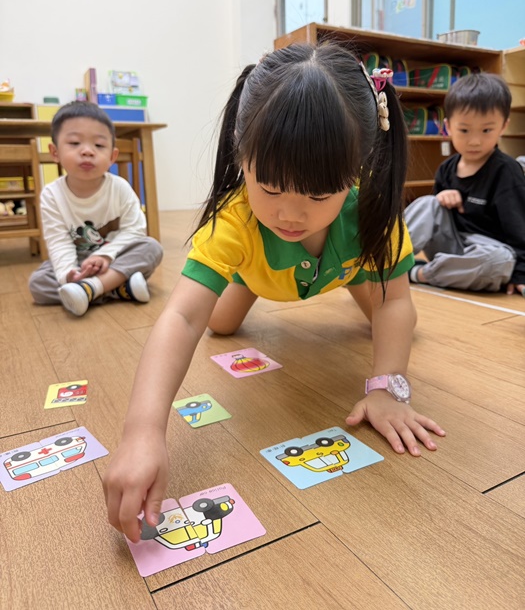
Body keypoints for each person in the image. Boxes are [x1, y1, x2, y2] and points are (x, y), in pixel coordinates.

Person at [103, 43, 445, 542]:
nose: (289, 214)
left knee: (394, 330)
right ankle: (251, 278)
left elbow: (396, 302)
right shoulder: (235, 221)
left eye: (318, 194)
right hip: (256, 273)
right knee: (220, 323)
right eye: (269, 187)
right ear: (241, 153)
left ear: (357, 168)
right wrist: (142, 432)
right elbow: (182, 318)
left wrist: (386, 389)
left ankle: (349, 271)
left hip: (347, 268)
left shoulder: (372, 210)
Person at [29, 101, 163, 316]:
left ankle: (88, 290)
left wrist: (106, 256)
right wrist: (68, 274)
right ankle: (117, 288)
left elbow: (135, 230)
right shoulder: (52, 194)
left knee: (151, 247)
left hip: (115, 257)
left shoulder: (119, 187)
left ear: (112, 156)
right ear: (55, 152)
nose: (87, 151)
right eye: (74, 143)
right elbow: (58, 241)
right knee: (38, 284)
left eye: (99, 145)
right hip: (78, 263)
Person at [404, 72, 525, 295]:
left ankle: (419, 273)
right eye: (464, 130)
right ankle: (385, 261)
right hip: (449, 246)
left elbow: (520, 229)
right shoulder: (446, 169)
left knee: (499, 261)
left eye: (486, 130)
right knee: (428, 203)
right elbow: (435, 219)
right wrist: (441, 198)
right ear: (448, 127)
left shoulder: (506, 171)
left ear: (503, 126)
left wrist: (520, 273)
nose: (475, 141)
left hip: (485, 253)